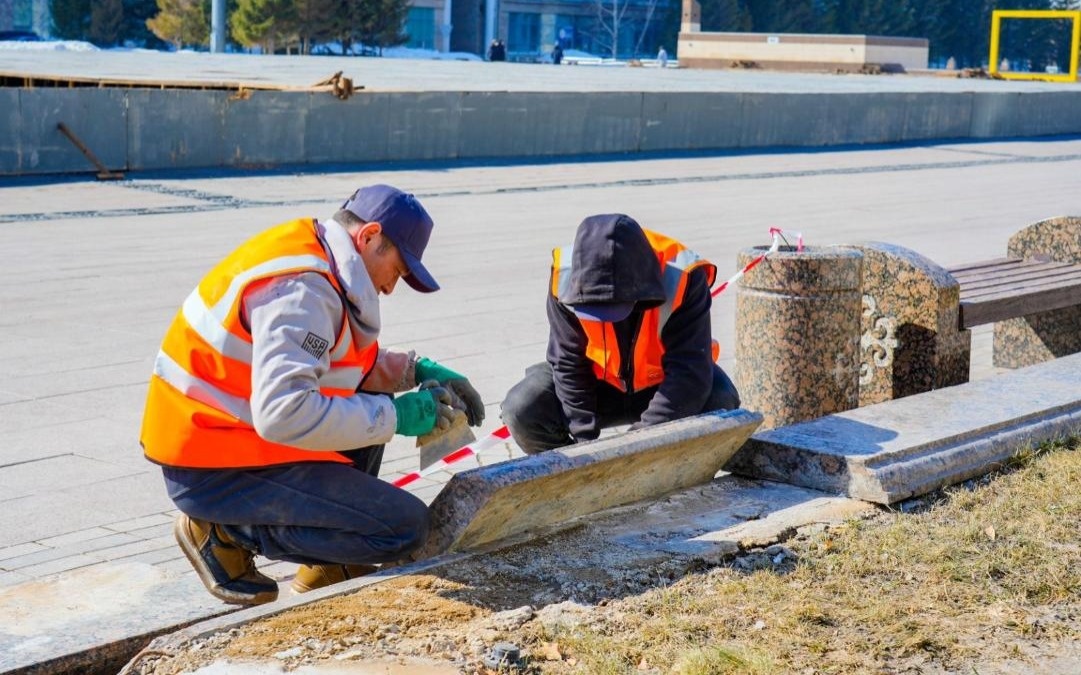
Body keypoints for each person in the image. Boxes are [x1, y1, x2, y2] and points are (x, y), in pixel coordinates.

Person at [140, 184, 485, 605]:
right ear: (370, 236)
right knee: (403, 527)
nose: (392, 288)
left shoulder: (317, 258)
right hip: (212, 467)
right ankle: (219, 530)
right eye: (398, 271)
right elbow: (284, 412)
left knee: (364, 417)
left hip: (234, 440)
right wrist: (396, 416)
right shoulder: (303, 289)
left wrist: (412, 371)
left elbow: (336, 365)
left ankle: (329, 563)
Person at [501, 214, 739, 454]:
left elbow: (689, 373)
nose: (606, 319)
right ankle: (571, 481)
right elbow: (568, 362)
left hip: (663, 385)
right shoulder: (565, 277)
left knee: (720, 401)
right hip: (597, 385)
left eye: (615, 310)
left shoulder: (684, 276)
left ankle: (671, 475)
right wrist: (584, 447)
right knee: (522, 407)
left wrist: (634, 448)